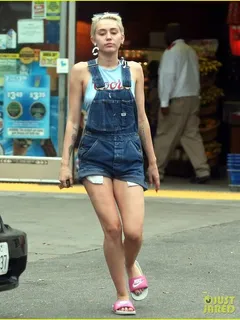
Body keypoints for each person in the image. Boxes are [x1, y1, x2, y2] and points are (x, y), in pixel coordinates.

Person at [58, 12, 160, 315]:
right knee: (113, 228)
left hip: (130, 154)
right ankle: (121, 293)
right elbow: (73, 121)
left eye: (114, 31)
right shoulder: (80, 72)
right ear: (93, 40)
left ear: (123, 37)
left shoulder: (136, 71)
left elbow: (142, 120)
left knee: (135, 232)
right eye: (102, 32)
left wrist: (152, 162)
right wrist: (65, 164)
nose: (109, 37)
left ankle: (130, 264)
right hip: (95, 154)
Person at [154, 23, 210, 183]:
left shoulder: (171, 52)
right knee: (191, 135)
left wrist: (164, 102)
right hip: (192, 98)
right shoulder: (190, 51)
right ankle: (202, 171)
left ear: (170, 35)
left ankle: (156, 171)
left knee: (165, 135)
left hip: (176, 100)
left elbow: (167, 77)